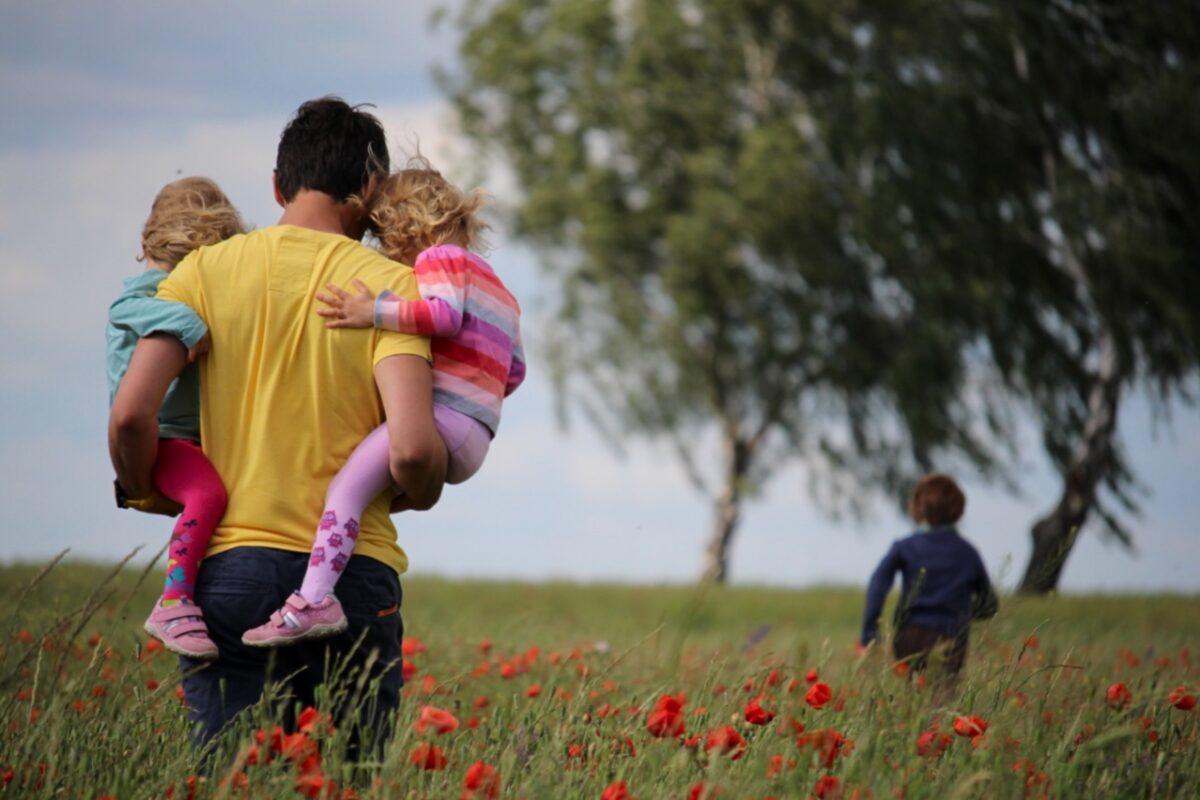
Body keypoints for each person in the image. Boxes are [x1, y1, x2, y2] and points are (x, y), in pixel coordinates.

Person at [108, 97, 447, 749]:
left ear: (276, 185)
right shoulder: (390, 289)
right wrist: (423, 488)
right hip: (352, 579)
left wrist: (147, 486)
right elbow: (410, 450)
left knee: (234, 778)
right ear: (370, 189)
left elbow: (129, 414)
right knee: (348, 785)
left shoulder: (200, 273)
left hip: (229, 571)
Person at [242, 159, 526, 647]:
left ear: (406, 226)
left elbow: (441, 316)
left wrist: (371, 311)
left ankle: (313, 600)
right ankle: (328, 574)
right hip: (477, 434)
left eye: (383, 235)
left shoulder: (440, 260)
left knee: (344, 492)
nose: (384, 249)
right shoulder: (501, 290)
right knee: (367, 495)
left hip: (443, 421)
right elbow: (515, 371)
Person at [106, 177, 244, 659]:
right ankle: (174, 600)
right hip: (163, 437)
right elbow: (125, 308)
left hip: (186, 437)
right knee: (208, 494)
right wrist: (189, 325)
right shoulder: (151, 291)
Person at [859, 473, 998, 686]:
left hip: (909, 635)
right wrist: (962, 613)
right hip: (952, 637)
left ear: (917, 508)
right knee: (943, 700)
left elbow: (878, 584)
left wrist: (870, 632)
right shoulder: (968, 552)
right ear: (958, 510)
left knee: (913, 697)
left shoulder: (905, 547)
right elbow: (989, 605)